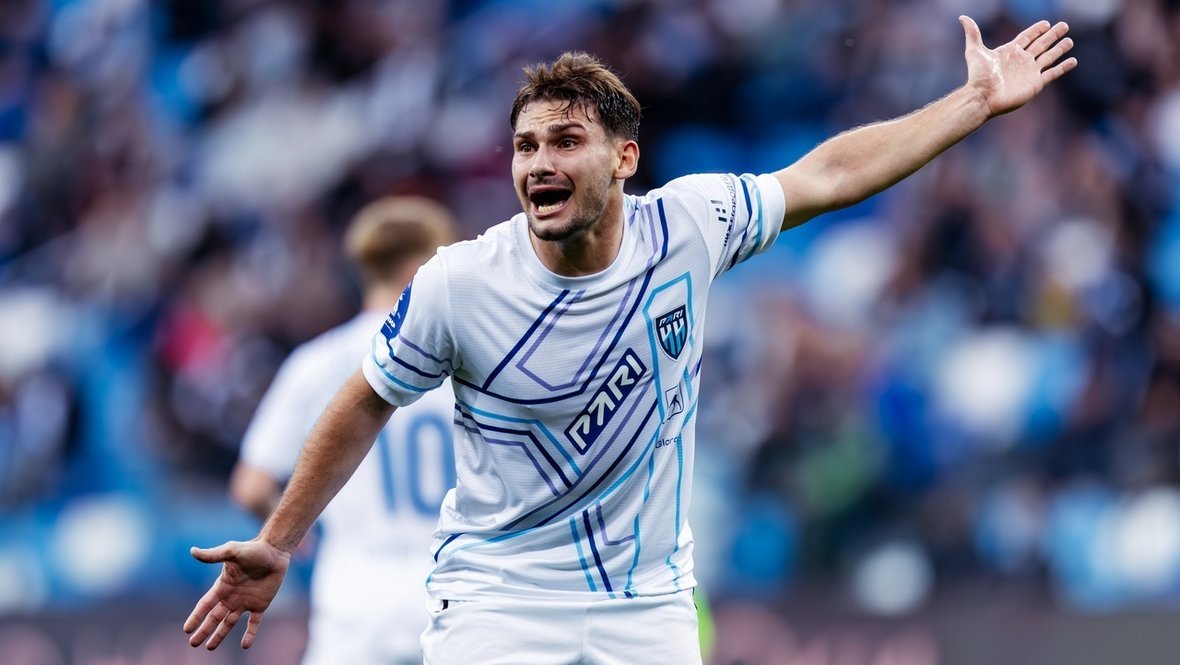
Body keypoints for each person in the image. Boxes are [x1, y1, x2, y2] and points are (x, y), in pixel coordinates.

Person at [184, 16, 1075, 664]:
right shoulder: (462, 282)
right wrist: (281, 540)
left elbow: (827, 174)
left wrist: (971, 104)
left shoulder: (691, 224)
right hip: (500, 599)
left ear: (623, 157)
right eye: (526, 145)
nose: (539, 162)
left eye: (566, 141)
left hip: (646, 604)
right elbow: (363, 398)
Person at [227, 196, 458, 664]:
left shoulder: (316, 362)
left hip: (356, 603)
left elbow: (251, 486)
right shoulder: (469, 361)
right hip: (455, 598)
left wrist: (296, 530)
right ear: (418, 271)